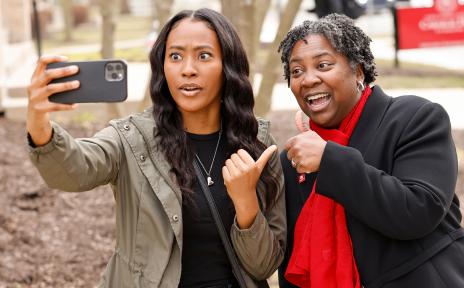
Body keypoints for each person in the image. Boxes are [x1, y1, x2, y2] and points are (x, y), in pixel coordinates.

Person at [26, 8, 286, 288]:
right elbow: (73, 170)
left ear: (228, 67)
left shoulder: (258, 143)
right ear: (163, 66)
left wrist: (246, 202)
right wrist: (38, 122)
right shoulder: (132, 138)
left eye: (204, 55)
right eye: (175, 56)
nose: (187, 69)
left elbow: (264, 265)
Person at [277, 13, 464, 288]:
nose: (308, 80)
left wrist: (330, 160)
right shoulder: (295, 160)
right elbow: (296, 263)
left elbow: (418, 211)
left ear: (358, 71)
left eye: (323, 64)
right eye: (296, 71)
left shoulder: (414, 118)